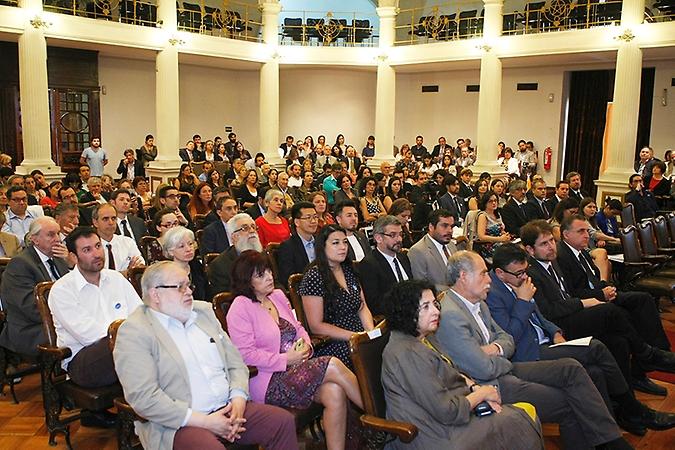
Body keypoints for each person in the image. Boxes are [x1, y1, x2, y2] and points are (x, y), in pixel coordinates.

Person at [434, 250, 632, 450]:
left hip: (505, 368)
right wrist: (499, 351)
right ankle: (612, 443)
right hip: (491, 384)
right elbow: (484, 368)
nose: (489, 279)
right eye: (484, 273)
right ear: (463, 277)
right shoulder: (452, 315)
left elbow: (507, 339)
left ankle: (611, 440)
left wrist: (494, 349)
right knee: (569, 402)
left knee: (571, 367)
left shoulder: (476, 301)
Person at [487, 244, 675, 435]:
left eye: (525, 270)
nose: (525, 276)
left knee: (609, 352)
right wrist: (523, 301)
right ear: (501, 273)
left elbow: (540, 317)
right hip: (530, 351)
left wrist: (555, 332)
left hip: (548, 339)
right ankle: (634, 408)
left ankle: (613, 424)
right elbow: (511, 338)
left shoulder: (518, 280)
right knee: (597, 346)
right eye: (519, 273)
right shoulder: (493, 294)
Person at [112, 261, 298, 450]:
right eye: (179, 287)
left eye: (188, 284)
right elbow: (144, 398)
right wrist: (205, 422)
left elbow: (236, 363)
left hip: (229, 408)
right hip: (179, 423)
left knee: (282, 423)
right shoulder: (135, 331)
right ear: (155, 294)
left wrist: (239, 399)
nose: (189, 291)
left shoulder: (202, 312)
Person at [381, 279, 544, 450]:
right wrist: (482, 395)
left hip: (449, 419)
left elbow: (451, 372)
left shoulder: (424, 338)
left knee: (520, 413)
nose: (436, 311)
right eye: (426, 307)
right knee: (518, 418)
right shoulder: (406, 354)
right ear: (406, 312)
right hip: (433, 435)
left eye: (435, 304)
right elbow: (446, 411)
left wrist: (475, 388)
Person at [226, 251, 364, 450]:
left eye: (269, 271)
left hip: (298, 368)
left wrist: (307, 345)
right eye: (260, 275)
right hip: (269, 380)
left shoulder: (278, 296)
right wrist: (285, 359)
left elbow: (298, 327)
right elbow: (245, 354)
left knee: (334, 392)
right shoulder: (240, 307)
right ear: (246, 281)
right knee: (332, 364)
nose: (269, 277)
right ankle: (380, 414)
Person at [521, 220, 675, 396]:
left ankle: (626, 400)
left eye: (551, 241)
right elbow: (549, 311)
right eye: (544, 244)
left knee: (619, 340)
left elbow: (570, 292)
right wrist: (586, 302)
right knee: (611, 312)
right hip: (559, 328)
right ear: (530, 250)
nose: (551, 247)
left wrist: (599, 292)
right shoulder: (531, 272)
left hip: (572, 312)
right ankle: (647, 354)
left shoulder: (552, 261)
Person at [49, 226, 142, 387]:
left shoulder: (116, 279)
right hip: (84, 361)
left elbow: (140, 315)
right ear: (74, 257)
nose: (97, 254)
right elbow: (89, 336)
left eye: (98, 246)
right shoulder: (62, 290)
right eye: (87, 250)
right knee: (129, 346)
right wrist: (132, 336)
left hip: (126, 347)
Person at [298, 224, 374, 369]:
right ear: (322, 247)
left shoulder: (349, 270)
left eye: (345, 242)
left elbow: (362, 306)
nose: (343, 247)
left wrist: (369, 334)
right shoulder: (314, 276)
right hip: (334, 341)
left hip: (359, 336)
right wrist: (354, 337)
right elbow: (316, 326)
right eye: (335, 243)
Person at [0, 217, 70, 357]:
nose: (57, 239)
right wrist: (69, 318)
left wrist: (71, 263)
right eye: (51, 235)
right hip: (31, 329)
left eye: (58, 234)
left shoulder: (60, 258)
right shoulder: (20, 264)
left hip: (58, 320)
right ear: (34, 239)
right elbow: (31, 308)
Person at [357, 216, 412, 316]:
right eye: (393, 235)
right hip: (393, 318)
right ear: (378, 238)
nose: (399, 239)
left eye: (400, 234)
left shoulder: (403, 257)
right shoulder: (368, 265)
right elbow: (374, 304)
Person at [207, 213, 263, 299]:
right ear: (234, 237)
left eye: (253, 227)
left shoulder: (264, 256)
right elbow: (226, 299)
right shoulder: (219, 265)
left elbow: (277, 284)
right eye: (245, 228)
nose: (252, 231)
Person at [408, 209, 458, 291]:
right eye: (444, 226)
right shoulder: (417, 251)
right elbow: (421, 286)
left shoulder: (452, 246)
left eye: (451, 226)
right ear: (431, 227)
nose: (450, 230)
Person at [92, 203, 145, 272]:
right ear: (95, 222)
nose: (111, 222)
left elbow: (140, 266)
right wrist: (126, 272)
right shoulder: (90, 247)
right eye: (105, 219)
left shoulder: (128, 242)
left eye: (113, 218)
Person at [160, 226, 207, 301]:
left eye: (190, 244)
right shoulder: (167, 275)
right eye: (181, 246)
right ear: (170, 251)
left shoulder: (197, 266)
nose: (188, 249)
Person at [277, 202, 318, 289]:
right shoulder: (287, 247)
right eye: (308, 218)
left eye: (315, 217)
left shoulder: (322, 242)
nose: (314, 221)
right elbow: (288, 279)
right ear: (297, 222)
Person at [475, 191, 510, 260]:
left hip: (500, 243)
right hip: (489, 247)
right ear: (485, 203)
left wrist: (505, 236)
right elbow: (481, 236)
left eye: (495, 201)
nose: (494, 203)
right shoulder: (483, 216)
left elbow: (501, 230)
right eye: (490, 201)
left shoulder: (497, 214)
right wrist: (499, 239)